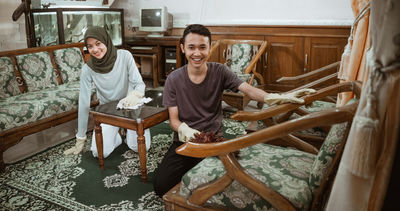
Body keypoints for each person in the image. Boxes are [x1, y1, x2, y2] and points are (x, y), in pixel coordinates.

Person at [153, 24, 315, 197]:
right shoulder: (174, 79)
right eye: (191, 47)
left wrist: (276, 97)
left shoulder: (220, 71)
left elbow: (249, 90)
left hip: (213, 140)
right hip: (185, 142)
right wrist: (185, 130)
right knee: (161, 186)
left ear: (209, 47)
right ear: (183, 48)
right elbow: (174, 120)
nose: (197, 53)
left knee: (232, 185)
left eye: (202, 47)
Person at [64, 26, 151, 158]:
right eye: (90, 46)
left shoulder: (124, 56)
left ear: (106, 41)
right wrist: (80, 138)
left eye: (98, 44)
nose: (95, 50)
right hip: (108, 112)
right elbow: (84, 103)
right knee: (99, 152)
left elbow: (139, 84)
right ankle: (116, 136)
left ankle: (129, 134)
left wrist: (135, 95)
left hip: (131, 107)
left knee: (137, 147)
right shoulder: (88, 69)